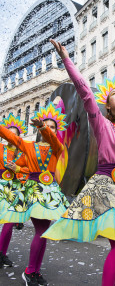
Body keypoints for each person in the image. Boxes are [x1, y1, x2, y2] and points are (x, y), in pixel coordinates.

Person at [42, 41, 115, 286]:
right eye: (113, 94)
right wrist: (66, 58)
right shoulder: (101, 123)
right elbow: (84, 90)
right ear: (106, 105)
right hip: (106, 186)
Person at [0, 104, 69, 286]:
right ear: (37, 129)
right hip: (34, 190)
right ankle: (30, 270)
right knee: (40, 231)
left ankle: (34, 271)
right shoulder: (29, 146)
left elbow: (52, 139)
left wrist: (42, 126)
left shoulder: (57, 147)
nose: (48, 129)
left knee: (43, 232)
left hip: (49, 191)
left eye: (52, 126)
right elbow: (10, 136)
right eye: (45, 125)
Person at [0, 114, 29, 268]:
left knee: (9, 222)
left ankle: (2, 253)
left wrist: (17, 168)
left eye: (14, 134)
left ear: (18, 137)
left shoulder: (22, 153)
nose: (10, 136)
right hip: (0, 187)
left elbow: (28, 170)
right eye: (7, 133)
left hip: (15, 188)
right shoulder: (0, 148)